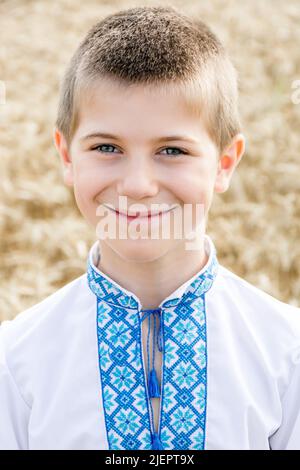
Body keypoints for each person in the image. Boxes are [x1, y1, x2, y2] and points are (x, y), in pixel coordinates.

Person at [1, 5, 300, 451]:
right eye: (107, 147)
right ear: (67, 157)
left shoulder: (287, 352)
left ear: (224, 163)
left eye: (172, 151)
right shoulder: (16, 360)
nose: (138, 186)